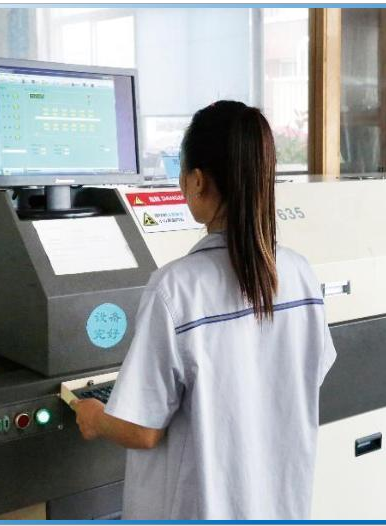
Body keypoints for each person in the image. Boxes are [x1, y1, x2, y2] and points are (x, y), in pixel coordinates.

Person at [72, 100, 336, 520]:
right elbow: (304, 375)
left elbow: (142, 429)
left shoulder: (176, 289)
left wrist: (95, 417)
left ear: (197, 181)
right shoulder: (299, 274)